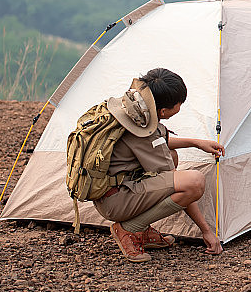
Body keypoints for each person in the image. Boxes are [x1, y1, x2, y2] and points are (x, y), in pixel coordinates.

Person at [85, 67, 225, 262]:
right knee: (194, 182)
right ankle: (131, 229)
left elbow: (160, 140)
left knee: (172, 156)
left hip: (110, 192)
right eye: (178, 104)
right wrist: (206, 231)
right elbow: (180, 183)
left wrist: (196, 143)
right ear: (163, 111)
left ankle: (141, 228)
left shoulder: (133, 110)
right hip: (116, 202)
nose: (180, 108)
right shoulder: (141, 128)